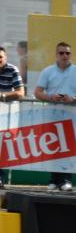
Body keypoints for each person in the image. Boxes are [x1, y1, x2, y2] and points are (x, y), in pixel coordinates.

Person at [34, 42, 76, 191]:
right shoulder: (47, 71)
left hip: (73, 115)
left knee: (68, 148)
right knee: (54, 148)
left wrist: (73, 99)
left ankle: (66, 180)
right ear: (56, 54)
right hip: (53, 114)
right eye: (61, 53)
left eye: (67, 53)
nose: (64, 56)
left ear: (71, 55)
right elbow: (37, 92)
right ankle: (54, 179)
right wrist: (51, 96)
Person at [0, 46, 25, 188]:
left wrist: (2, 96)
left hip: (6, 117)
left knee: (3, 148)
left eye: (0, 57)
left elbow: (21, 92)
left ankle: (0, 178)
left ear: (5, 58)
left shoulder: (12, 70)